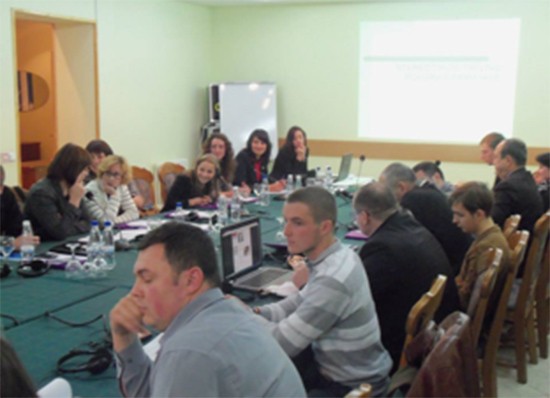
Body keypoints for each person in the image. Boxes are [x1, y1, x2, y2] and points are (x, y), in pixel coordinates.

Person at [110, 222, 306, 397]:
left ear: (191, 280)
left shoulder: (189, 352)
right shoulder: (229, 311)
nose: (134, 292)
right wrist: (124, 338)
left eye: (147, 279)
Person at [253, 187, 392, 397]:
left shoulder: (332, 280)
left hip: (351, 386)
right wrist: (257, 313)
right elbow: (296, 303)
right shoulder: (338, 255)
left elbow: (282, 343)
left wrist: (243, 319)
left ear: (325, 226)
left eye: (297, 223)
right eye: (286, 221)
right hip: (347, 371)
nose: (286, 232)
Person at [353, 182, 459, 373]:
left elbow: (353, 299)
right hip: (440, 332)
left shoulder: (382, 248)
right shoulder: (410, 225)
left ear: (364, 217)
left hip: (405, 347)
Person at [379, 162, 472, 276]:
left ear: (401, 187)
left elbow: (398, 238)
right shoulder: (426, 189)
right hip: (456, 261)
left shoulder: (412, 199)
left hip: (452, 269)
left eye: (387, 192)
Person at [449, 182, 510, 310]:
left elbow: (468, 300)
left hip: (463, 317)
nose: (454, 220)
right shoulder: (491, 236)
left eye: (460, 215)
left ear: (479, 214)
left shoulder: (486, 247)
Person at [25, 143, 91, 241]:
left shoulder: (73, 187)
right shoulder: (41, 193)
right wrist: (74, 201)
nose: (87, 174)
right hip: (41, 249)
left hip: (66, 243)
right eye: (84, 169)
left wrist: (66, 224)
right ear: (72, 168)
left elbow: (89, 223)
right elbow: (60, 232)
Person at [492, 138, 543, 234]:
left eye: (496, 157)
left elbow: (492, 223)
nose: (494, 163)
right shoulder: (528, 180)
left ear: (508, 160)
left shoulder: (508, 187)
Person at [83, 155, 139, 224]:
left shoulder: (121, 187)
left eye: (116, 174)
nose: (111, 178)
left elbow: (133, 213)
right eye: (108, 173)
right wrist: (114, 195)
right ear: (102, 172)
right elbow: (105, 223)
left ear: (123, 177)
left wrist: (116, 221)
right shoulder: (89, 191)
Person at [0, 165, 40, 249]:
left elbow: (17, 227)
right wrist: (10, 244)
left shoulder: (6, 195)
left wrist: (26, 239)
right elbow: (13, 242)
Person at [234, 129, 285, 193]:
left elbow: (263, 180)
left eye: (262, 143)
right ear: (250, 143)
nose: (259, 146)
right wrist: (267, 188)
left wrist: (278, 183)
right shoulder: (243, 157)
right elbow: (241, 185)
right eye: (256, 142)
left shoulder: (262, 159)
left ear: (267, 146)